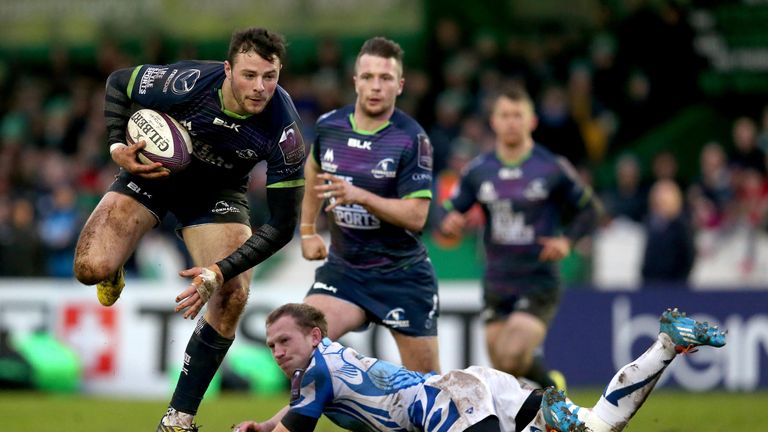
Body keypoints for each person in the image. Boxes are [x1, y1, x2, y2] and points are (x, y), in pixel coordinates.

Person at [72, 27, 306, 432]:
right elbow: (118, 82)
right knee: (90, 269)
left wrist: (218, 272)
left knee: (233, 293)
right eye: (249, 75)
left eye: (270, 76)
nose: (259, 87)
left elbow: (284, 226)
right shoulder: (189, 82)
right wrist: (116, 146)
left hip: (217, 195)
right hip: (153, 174)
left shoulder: (285, 133)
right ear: (228, 69)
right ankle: (114, 265)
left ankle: (179, 419)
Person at [231, 303, 726, 432]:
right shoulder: (324, 365)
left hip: (448, 405)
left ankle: (550, 426)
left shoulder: (316, 372)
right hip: (474, 386)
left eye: (284, 341)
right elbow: (298, 409)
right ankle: (666, 344)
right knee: (598, 427)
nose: (276, 352)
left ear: (315, 337)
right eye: (271, 344)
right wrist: (265, 424)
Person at [439, 86, 602, 389]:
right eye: (505, 115)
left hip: (538, 279)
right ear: (494, 121)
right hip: (497, 280)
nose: (511, 122)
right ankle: (547, 393)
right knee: (503, 369)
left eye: (518, 115)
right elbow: (447, 211)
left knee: (512, 354)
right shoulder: (479, 170)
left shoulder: (552, 167)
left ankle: (551, 386)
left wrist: (567, 241)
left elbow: (589, 210)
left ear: (532, 121)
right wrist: (448, 221)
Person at [298, 37, 440, 374]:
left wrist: (360, 196)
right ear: (355, 82)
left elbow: (417, 216)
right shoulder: (330, 126)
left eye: (385, 78)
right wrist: (307, 230)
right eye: (368, 77)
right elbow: (313, 168)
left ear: (400, 85)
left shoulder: (412, 139)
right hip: (344, 272)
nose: (376, 86)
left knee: (429, 389)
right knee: (301, 342)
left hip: (401, 275)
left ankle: (536, 396)